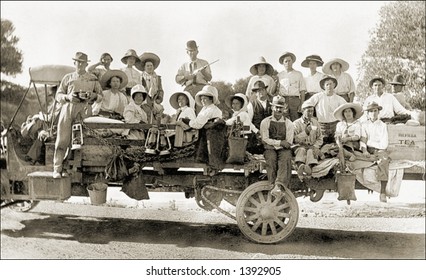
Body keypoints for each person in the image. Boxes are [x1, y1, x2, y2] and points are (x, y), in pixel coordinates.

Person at [53, 52, 103, 178]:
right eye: (78, 62)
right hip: (68, 108)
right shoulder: (68, 77)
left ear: (87, 64)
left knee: (80, 141)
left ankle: (71, 168)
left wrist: (94, 96)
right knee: (63, 139)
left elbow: (101, 96)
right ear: (74, 63)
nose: (80, 64)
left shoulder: (93, 78)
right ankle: (57, 169)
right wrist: (68, 97)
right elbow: (58, 95)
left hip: (85, 109)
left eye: (83, 62)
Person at [182, 85, 224, 175]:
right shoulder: (206, 109)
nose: (202, 101)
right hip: (209, 133)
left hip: (211, 135)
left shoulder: (210, 110)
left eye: (205, 98)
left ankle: (212, 167)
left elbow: (198, 124)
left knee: (210, 151)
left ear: (211, 99)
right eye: (201, 99)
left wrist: (188, 121)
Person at [260, 96, 294, 197]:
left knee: (286, 158)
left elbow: (288, 142)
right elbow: (265, 139)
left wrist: (274, 144)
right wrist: (280, 143)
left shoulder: (289, 123)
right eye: (276, 107)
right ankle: (272, 183)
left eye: (281, 107)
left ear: (284, 109)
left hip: (282, 149)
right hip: (271, 149)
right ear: (272, 108)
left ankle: (279, 186)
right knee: (271, 158)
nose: (278, 110)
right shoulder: (265, 122)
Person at [360, 101, 389, 202]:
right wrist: (364, 150)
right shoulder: (364, 125)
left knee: (384, 161)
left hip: (380, 150)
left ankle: (383, 192)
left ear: (378, 112)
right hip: (368, 150)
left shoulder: (382, 125)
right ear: (367, 113)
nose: (373, 113)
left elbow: (384, 143)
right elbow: (363, 140)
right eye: (371, 111)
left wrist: (371, 143)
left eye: (375, 111)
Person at [303, 75, 347, 143]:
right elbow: (306, 104)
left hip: (335, 125)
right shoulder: (318, 96)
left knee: (336, 145)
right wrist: (313, 117)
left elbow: (346, 109)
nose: (329, 86)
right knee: (321, 145)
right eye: (327, 84)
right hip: (322, 126)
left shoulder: (339, 99)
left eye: (331, 84)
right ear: (323, 86)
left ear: (334, 85)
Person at [175, 40, 212, 113]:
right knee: (188, 111)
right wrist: (185, 77)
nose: (192, 53)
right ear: (187, 52)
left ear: (197, 51)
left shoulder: (204, 63)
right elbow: (177, 79)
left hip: (201, 89)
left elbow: (209, 78)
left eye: (194, 50)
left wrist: (203, 72)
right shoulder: (184, 65)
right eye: (190, 51)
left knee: (201, 112)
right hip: (189, 89)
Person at [293, 101, 323, 181]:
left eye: (312, 111)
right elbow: (294, 139)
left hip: (311, 146)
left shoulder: (315, 123)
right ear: (303, 111)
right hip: (299, 146)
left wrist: (315, 146)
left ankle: (309, 168)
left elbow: (320, 138)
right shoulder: (296, 123)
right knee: (302, 150)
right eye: (308, 111)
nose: (310, 113)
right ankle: (300, 167)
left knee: (311, 151)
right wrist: (305, 132)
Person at [277, 52, 307, 121]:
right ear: (283, 63)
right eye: (286, 61)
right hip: (283, 100)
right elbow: (277, 90)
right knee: (283, 119)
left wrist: (302, 104)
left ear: (292, 61)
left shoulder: (298, 74)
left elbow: (302, 90)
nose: (288, 63)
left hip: (295, 100)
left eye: (289, 61)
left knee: (296, 119)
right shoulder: (280, 75)